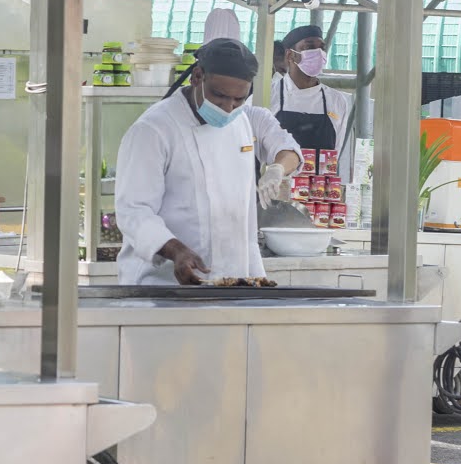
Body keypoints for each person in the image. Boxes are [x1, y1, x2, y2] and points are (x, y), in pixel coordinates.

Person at [113, 38, 300, 286]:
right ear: (197, 76)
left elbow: (290, 151)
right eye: (219, 96)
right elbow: (133, 212)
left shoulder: (240, 119)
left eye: (239, 99)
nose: (227, 107)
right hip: (164, 285)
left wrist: (276, 169)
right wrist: (176, 250)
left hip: (233, 280)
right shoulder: (153, 130)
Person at [271, 23, 358, 184]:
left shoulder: (337, 101)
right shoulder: (269, 97)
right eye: (309, 47)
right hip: (274, 195)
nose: (318, 53)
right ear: (290, 55)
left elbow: (335, 153)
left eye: (321, 48)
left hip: (318, 199)